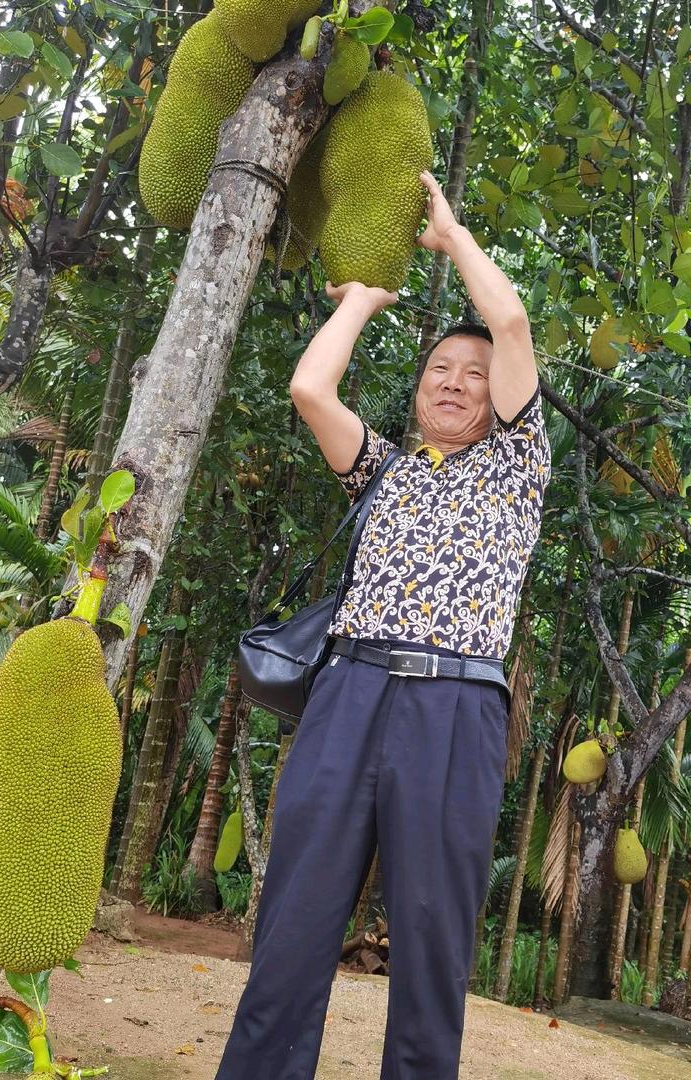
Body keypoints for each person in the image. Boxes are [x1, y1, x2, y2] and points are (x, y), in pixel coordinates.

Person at [213, 170, 552, 1080]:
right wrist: (361, 300)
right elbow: (312, 390)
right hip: (348, 695)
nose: (453, 382)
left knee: (434, 942)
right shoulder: (384, 473)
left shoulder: (517, 466)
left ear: (499, 400)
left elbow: (509, 325)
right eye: (439, 368)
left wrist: (451, 238)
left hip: (456, 708)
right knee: (294, 922)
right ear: (418, 388)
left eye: (472, 376)